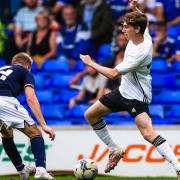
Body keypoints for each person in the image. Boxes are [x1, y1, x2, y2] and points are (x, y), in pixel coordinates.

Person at [79, 0, 180, 178]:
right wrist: (135, 9)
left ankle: (177, 166)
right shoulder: (143, 32)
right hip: (123, 91)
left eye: (126, 27)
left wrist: (90, 63)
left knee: (148, 134)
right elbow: (146, 20)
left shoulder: (141, 52)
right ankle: (114, 149)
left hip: (137, 97)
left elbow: (112, 74)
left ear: (136, 30)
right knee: (90, 114)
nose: (123, 29)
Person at [0, 52, 55, 180]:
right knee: (35, 133)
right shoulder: (24, 71)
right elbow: (31, 98)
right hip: (4, 101)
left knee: (6, 133)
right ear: (27, 66)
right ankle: (41, 170)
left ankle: (22, 169)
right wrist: (44, 125)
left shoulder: (2, 69)